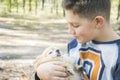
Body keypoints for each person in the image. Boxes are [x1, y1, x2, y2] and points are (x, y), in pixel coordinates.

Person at [35, 0, 120, 80]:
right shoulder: (74, 46)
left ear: (98, 22)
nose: (69, 31)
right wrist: (40, 73)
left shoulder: (116, 56)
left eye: (75, 25)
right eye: (68, 24)